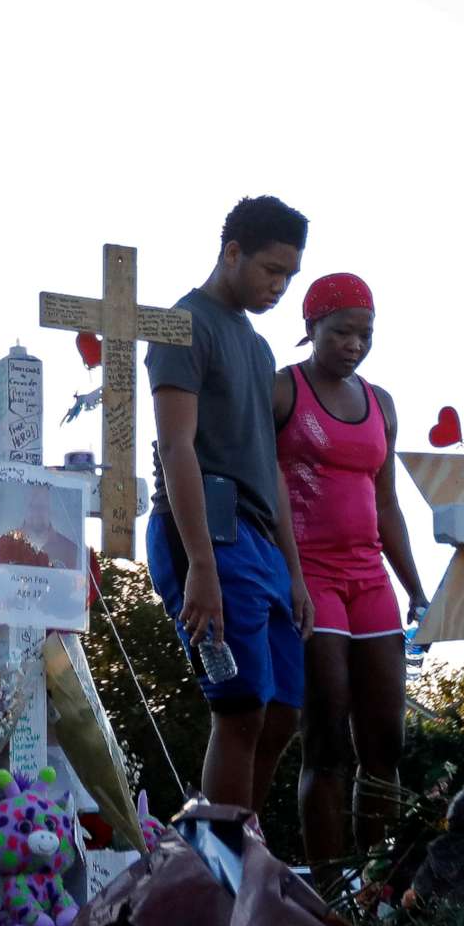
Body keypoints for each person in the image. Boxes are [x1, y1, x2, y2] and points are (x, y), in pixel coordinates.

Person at [147, 194, 310, 811]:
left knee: (282, 713)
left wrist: (294, 573)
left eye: (290, 276)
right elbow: (175, 446)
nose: (280, 286)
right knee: (239, 708)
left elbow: (268, 463)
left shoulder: (261, 348)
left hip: (263, 543)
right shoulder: (182, 324)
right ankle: (224, 876)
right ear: (232, 251)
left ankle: (242, 842)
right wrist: (204, 570)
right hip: (206, 534)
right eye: (272, 270)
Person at [274, 272, 430, 875]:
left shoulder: (381, 404)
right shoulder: (283, 392)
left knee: (385, 740)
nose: (355, 344)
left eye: (365, 334)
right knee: (328, 741)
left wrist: (415, 586)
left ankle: (376, 884)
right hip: (311, 578)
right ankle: (329, 884)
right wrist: (285, 577)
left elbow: (386, 503)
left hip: (371, 582)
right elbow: (264, 486)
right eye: (342, 332)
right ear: (312, 327)